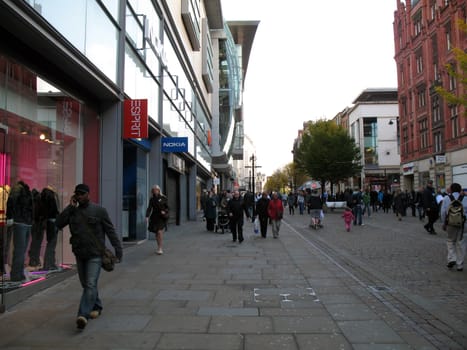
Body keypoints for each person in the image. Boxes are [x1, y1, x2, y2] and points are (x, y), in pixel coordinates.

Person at [55, 183, 123, 330]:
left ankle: (82, 315)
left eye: (82, 194)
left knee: (91, 283)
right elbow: (59, 223)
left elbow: (110, 231)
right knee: (86, 284)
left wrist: (118, 249)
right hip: (79, 253)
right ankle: (96, 305)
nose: (79, 196)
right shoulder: (72, 211)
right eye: (77, 194)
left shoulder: (99, 211)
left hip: (95, 254)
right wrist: (69, 208)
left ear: (88, 194)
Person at [6, 181, 33, 282]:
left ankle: (19, 274)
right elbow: (11, 202)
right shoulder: (18, 189)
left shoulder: (25, 190)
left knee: (22, 251)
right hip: (20, 222)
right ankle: (16, 275)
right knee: (19, 250)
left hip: (25, 222)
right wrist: (10, 217)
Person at [440, 183, 467, 271]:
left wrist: (444, 223)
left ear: (451, 190)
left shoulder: (446, 198)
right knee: (461, 243)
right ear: (460, 190)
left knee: (450, 241)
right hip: (463, 224)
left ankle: (451, 259)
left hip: (450, 224)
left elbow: (443, 212)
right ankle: (460, 265)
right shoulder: (465, 198)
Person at [146, 185, 169, 254]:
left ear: (159, 190)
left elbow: (168, 207)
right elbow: (149, 208)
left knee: (159, 231)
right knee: (156, 233)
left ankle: (160, 248)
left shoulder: (163, 198)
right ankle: (158, 246)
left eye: (156, 189)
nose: (155, 191)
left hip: (161, 217)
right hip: (154, 217)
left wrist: (164, 211)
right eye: (154, 190)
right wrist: (147, 216)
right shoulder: (152, 199)